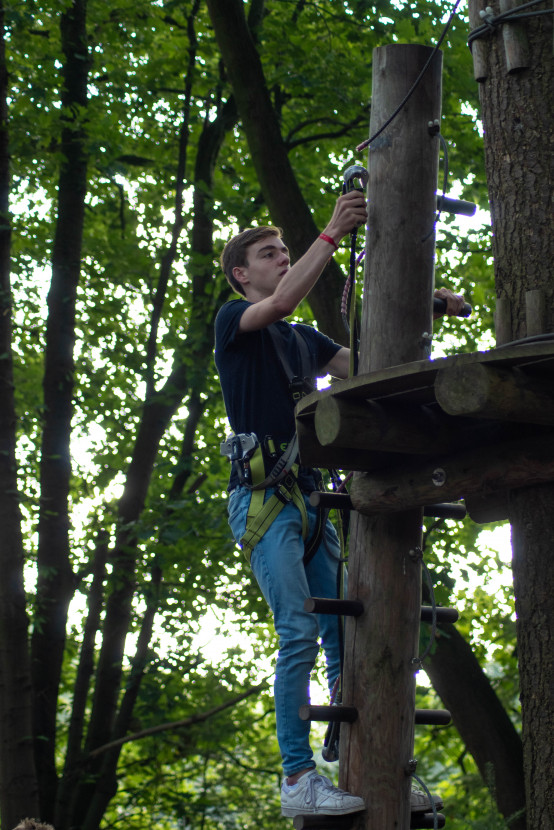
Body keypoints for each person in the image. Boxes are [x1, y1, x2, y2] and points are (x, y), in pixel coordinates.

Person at [214, 189, 465, 818]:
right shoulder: (234, 322)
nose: (281, 258)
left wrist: (422, 309)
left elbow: (369, 364)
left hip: (309, 500)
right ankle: (297, 779)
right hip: (264, 501)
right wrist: (331, 233)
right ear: (243, 273)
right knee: (297, 628)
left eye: (284, 251)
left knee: (342, 633)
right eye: (269, 253)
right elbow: (280, 301)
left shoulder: (304, 340)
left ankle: (366, 762)